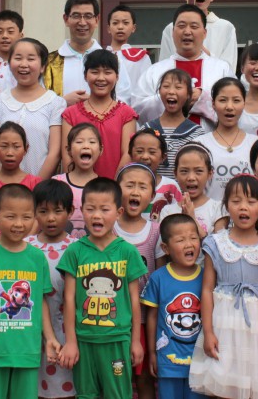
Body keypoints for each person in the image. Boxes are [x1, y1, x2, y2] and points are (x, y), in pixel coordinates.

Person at [190, 176, 258, 399]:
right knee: (222, 382)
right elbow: (207, 288)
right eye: (236, 201)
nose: (243, 207)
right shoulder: (215, 242)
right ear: (226, 205)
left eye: (251, 201)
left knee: (255, 386)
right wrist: (209, 331)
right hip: (224, 323)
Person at [0, 184, 59, 396]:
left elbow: (41, 301)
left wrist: (50, 338)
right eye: (10, 216)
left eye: (26, 217)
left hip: (27, 351)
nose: (19, 224)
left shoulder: (37, 257)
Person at [57, 177, 149, 399]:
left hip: (118, 339)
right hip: (84, 339)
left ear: (118, 212)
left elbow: (134, 300)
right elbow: (69, 299)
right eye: (90, 209)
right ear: (82, 210)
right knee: (86, 394)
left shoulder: (127, 252)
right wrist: (70, 342)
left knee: (118, 394)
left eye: (104, 209)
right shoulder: (74, 252)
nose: (97, 215)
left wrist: (135, 340)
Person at [133, 4, 234, 129]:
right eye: (181, 26)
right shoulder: (155, 71)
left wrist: (202, 98)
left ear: (204, 33)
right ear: (172, 32)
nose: (187, 31)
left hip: (211, 143)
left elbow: (235, 106)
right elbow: (138, 110)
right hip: (165, 145)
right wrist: (169, 97)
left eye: (194, 26)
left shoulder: (221, 69)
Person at [143, 214, 206, 399]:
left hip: (200, 363)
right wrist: (153, 353)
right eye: (180, 240)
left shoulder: (207, 277)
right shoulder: (158, 278)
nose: (189, 244)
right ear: (165, 248)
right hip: (168, 361)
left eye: (193, 238)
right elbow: (152, 316)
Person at [0, 38, 65, 179]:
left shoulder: (55, 103)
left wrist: (36, 186)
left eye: (31, 59)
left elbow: (54, 152)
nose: (24, 64)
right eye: (18, 58)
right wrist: (1, 184)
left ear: (42, 66)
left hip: (39, 190)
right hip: (1, 190)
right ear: (9, 64)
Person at [26, 179, 78, 399]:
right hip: (31, 330)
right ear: (35, 212)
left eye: (58, 211)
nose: (50, 218)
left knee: (68, 383)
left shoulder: (78, 248)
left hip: (68, 330)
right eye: (43, 211)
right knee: (33, 386)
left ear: (70, 211)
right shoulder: (26, 246)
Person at [114, 163, 162, 399]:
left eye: (142, 187)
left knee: (144, 378)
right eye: (129, 185)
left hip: (145, 319)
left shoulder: (156, 230)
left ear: (152, 195)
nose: (135, 192)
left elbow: (161, 278)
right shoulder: (107, 230)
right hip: (113, 320)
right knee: (115, 376)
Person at [62, 49, 138, 178]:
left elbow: (127, 153)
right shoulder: (70, 114)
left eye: (108, 72)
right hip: (79, 190)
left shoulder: (126, 114)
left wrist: (113, 188)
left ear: (117, 77)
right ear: (85, 76)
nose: (101, 78)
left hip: (114, 189)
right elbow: (66, 154)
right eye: (95, 72)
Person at [194, 77, 258, 200]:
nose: (229, 106)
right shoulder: (199, 145)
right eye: (223, 100)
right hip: (209, 217)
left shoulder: (256, 144)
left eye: (236, 100)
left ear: (244, 103)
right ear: (213, 104)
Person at [157, 0, 239, 71]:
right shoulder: (171, 28)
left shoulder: (226, 27)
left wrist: (205, 55)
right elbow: (164, 64)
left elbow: (229, 66)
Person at [139, 68, 204, 179]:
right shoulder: (146, 129)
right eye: (166, 86)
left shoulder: (197, 133)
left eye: (178, 87)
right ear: (159, 91)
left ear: (189, 94)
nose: (171, 91)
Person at [45, 0, 103, 105]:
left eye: (88, 16)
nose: (82, 22)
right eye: (76, 16)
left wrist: (96, 103)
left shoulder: (112, 60)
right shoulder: (49, 62)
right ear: (66, 19)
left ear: (97, 20)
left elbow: (122, 99)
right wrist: (63, 102)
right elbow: (38, 101)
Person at [159, 143, 225, 239]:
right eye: (184, 171)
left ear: (210, 173)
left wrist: (192, 219)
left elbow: (218, 249)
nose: (191, 178)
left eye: (198, 171)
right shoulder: (167, 212)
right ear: (175, 173)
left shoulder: (219, 209)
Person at [52, 122, 102, 237]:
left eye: (92, 142)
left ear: (101, 149)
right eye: (79, 142)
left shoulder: (104, 187)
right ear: (68, 150)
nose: (86, 146)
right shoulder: (57, 182)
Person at [0, 122, 41, 204]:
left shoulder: (35, 184)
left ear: (26, 149)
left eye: (16, 147)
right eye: (4, 146)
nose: (10, 153)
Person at [106, 4, 153, 104]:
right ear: (108, 28)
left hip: (130, 111)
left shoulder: (142, 57)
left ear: (133, 28)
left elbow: (145, 90)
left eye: (126, 23)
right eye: (115, 23)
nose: (120, 27)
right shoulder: (99, 55)